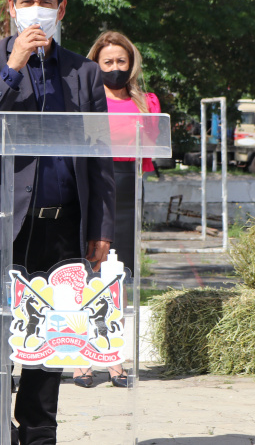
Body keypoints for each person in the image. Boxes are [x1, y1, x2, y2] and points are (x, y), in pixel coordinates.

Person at [0, 0, 116, 445]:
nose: (36, 12)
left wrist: (101, 228)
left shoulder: (85, 74)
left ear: (62, 9)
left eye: (46, 3)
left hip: (62, 227)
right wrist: (14, 67)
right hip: (0, 224)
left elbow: (99, 160)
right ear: (10, 7)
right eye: (27, 2)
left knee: (50, 338)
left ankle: (39, 433)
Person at [70, 30, 161, 389]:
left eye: (121, 61)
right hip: (91, 186)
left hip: (127, 185)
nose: (114, 67)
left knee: (117, 278)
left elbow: (155, 145)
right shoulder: (84, 100)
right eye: (107, 61)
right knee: (87, 270)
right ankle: (82, 358)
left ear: (131, 63)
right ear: (96, 63)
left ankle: (113, 357)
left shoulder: (146, 102)